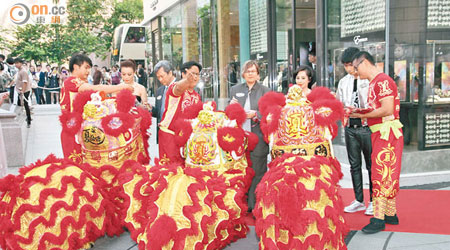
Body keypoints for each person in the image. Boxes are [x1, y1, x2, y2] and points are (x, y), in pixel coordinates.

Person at [351, 51, 403, 234]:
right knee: (386, 173)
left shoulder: (382, 81)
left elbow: (387, 109)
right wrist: (362, 112)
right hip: (381, 132)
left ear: (364, 63)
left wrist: (361, 114)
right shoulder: (375, 82)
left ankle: (379, 218)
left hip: (386, 133)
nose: (356, 73)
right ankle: (390, 213)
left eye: (356, 68)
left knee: (381, 174)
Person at [59, 53, 133, 160]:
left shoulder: (77, 82)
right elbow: (95, 88)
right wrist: (120, 87)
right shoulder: (72, 81)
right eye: (86, 67)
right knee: (76, 166)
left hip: (80, 130)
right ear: (75, 67)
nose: (88, 71)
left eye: (89, 68)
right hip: (72, 132)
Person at [336, 47, 373, 215]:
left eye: (351, 65)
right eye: (346, 66)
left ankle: (374, 200)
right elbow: (338, 103)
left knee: (372, 165)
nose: (349, 69)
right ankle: (359, 199)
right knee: (354, 165)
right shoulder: (344, 82)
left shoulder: (369, 79)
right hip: (350, 127)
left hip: (368, 127)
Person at [229, 60, 270, 211]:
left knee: (258, 171)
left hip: (258, 136)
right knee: (240, 171)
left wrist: (256, 114)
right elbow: (229, 112)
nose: (250, 74)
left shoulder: (265, 90)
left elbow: (270, 112)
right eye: (248, 71)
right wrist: (232, 106)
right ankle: (241, 205)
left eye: (253, 71)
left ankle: (255, 206)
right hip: (240, 137)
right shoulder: (235, 89)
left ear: (258, 74)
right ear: (243, 74)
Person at [157, 60, 200, 164]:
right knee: (171, 172)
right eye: (191, 74)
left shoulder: (196, 95)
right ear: (183, 74)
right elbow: (179, 88)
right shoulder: (174, 87)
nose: (194, 77)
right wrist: (186, 81)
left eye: (197, 74)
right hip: (170, 136)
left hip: (186, 139)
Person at [151, 61, 175, 143]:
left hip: (175, 134)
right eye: (158, 77)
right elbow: (159, 112)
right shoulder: (160, 91)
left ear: (170, 73)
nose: (160, 79)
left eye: (162, 76)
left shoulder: (180, 88)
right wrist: (150, 109)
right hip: (162, 135)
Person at [13, 58, 32, 128]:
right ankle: (24, 118)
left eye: (17, 63)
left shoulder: (23, 71)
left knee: (26, 105)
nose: (16, 64)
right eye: (15, 63)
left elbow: (25, 82)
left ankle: (29, 120)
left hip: (24, 91)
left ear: (21, 63)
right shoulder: (19, 71)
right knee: (20, 105)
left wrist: (22, 91)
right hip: (20, 90)